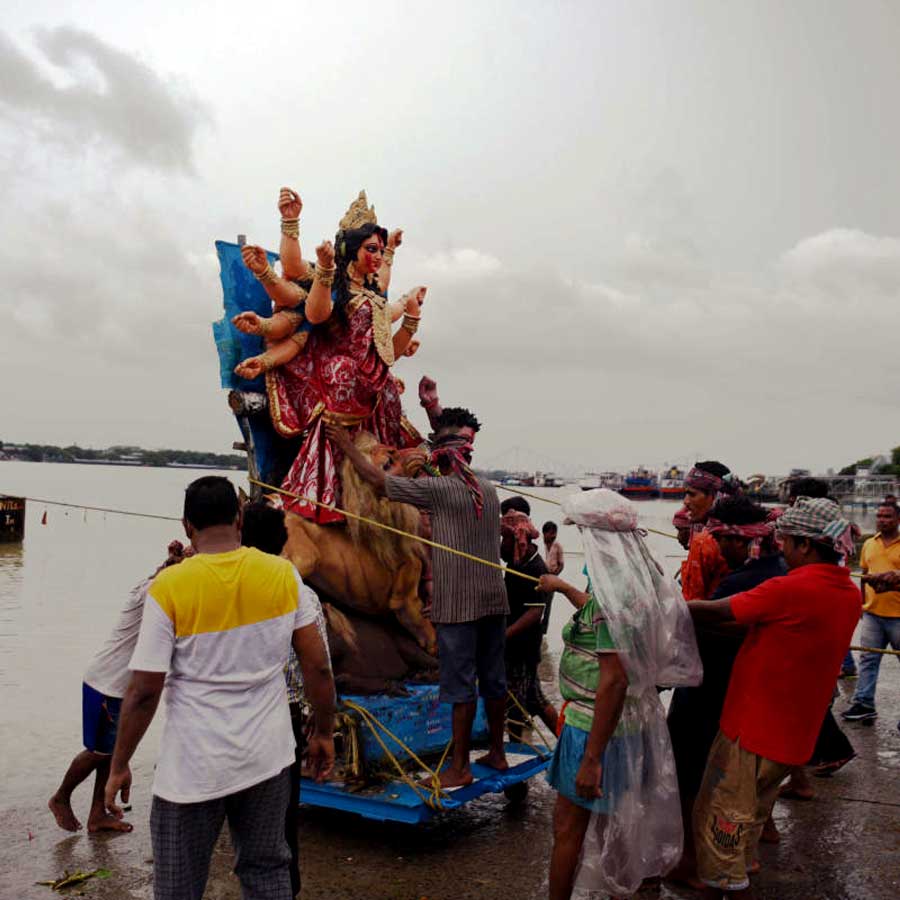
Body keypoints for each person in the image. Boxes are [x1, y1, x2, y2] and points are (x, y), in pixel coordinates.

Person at [103, 477, 336, 900]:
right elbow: (318, 667)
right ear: (239, 517)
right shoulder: (283, 575)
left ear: (187, 525)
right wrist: (323, 732)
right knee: (267, 870)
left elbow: (143, 691)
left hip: (193, 769)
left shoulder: (170, 586)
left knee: (178, 884)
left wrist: (120, 762)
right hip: (268, 758)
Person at [327, 408, 510, 789]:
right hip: (495, 598)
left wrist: (345, 445)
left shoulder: (440, 490)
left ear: (441, 458)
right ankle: (497, 751)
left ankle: (459, 767)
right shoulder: (488, 488)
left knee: (459, 686)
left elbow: (379, 483)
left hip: (459, 605)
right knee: (493, 679)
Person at [688, 498, 860, 897]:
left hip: (753, 731)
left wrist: (667, 608)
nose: (779, 548)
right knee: (752, 814)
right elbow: (777, 632)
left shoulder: (789, 587)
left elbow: (719, 611)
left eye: (786, 542)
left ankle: (729, 885)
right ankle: (743, 868)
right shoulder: (848, 592)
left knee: (721, 824)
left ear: (804, 545)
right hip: (794, 735)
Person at [538, 489, 702, 900]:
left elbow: (614, 680)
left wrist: (591, 758)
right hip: (631, 724)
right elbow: (598, 615)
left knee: (568, 830)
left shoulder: (617, 599)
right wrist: (562, 587)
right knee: (617, 826)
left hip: (594, 727)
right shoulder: (641, 586)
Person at [236, 192, 427, 522]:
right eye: (372, 249)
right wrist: (291, 222)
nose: (378, 257)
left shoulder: (375, 297)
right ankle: (325, 493)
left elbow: (388, 351)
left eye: (380, 251)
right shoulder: (333, 286)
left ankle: (392, 488)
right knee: (343, 371)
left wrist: (410, 316)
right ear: (351, 251)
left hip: (372, 393)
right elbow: (307, 297)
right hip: (334, 387)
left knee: (389, 393)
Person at [666, 496, 785, 887]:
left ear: (736, 540)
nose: (711, 547)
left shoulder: (742, 582)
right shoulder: (777, 571)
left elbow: (704, 626)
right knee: (736, 778)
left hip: (710, 689)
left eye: (716, 539)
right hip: (744, 691)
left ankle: (690, 863)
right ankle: (745, 851)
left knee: (690, 774)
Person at [47, 541, 191, 835]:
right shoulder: (155, 590)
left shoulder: (156, 583)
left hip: (119, 686)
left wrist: (180, 558)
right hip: (107, 684)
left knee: (111, 753)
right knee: (99, 752)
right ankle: (60, 797)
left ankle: (97, 815)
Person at [240, 500, 328, 900]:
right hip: (281, 720)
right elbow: (319, 666)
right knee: (280, 825)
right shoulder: (298, 590)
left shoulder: (220, 586)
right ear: (282, 540)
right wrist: (322, 726)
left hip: (229, 719)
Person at [500, 508, 558, 736]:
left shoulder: (536, 567)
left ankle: (515, 749)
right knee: (532, 699)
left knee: (520, 701)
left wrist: (504, 634)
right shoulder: (515, 561)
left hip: (524, 647)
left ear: (518, 538)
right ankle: (565, 745)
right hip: (515, 646)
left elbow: (535, 612)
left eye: (505, 538)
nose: (502, 545)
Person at [842, 501, 900, 723]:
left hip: (898, 616)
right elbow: (864, 576)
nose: (882, 520)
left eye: (887, 516)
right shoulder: (869, 544)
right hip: (873, 613)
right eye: (879, 516)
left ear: (898, 520)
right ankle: (864, 703)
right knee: (868, 659)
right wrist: (861, 604)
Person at [681, 461, 736, 600]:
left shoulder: (705, 542)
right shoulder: (746, 532)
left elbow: (692, 601)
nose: (685, 502)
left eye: (692, 495)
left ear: (716, 497)